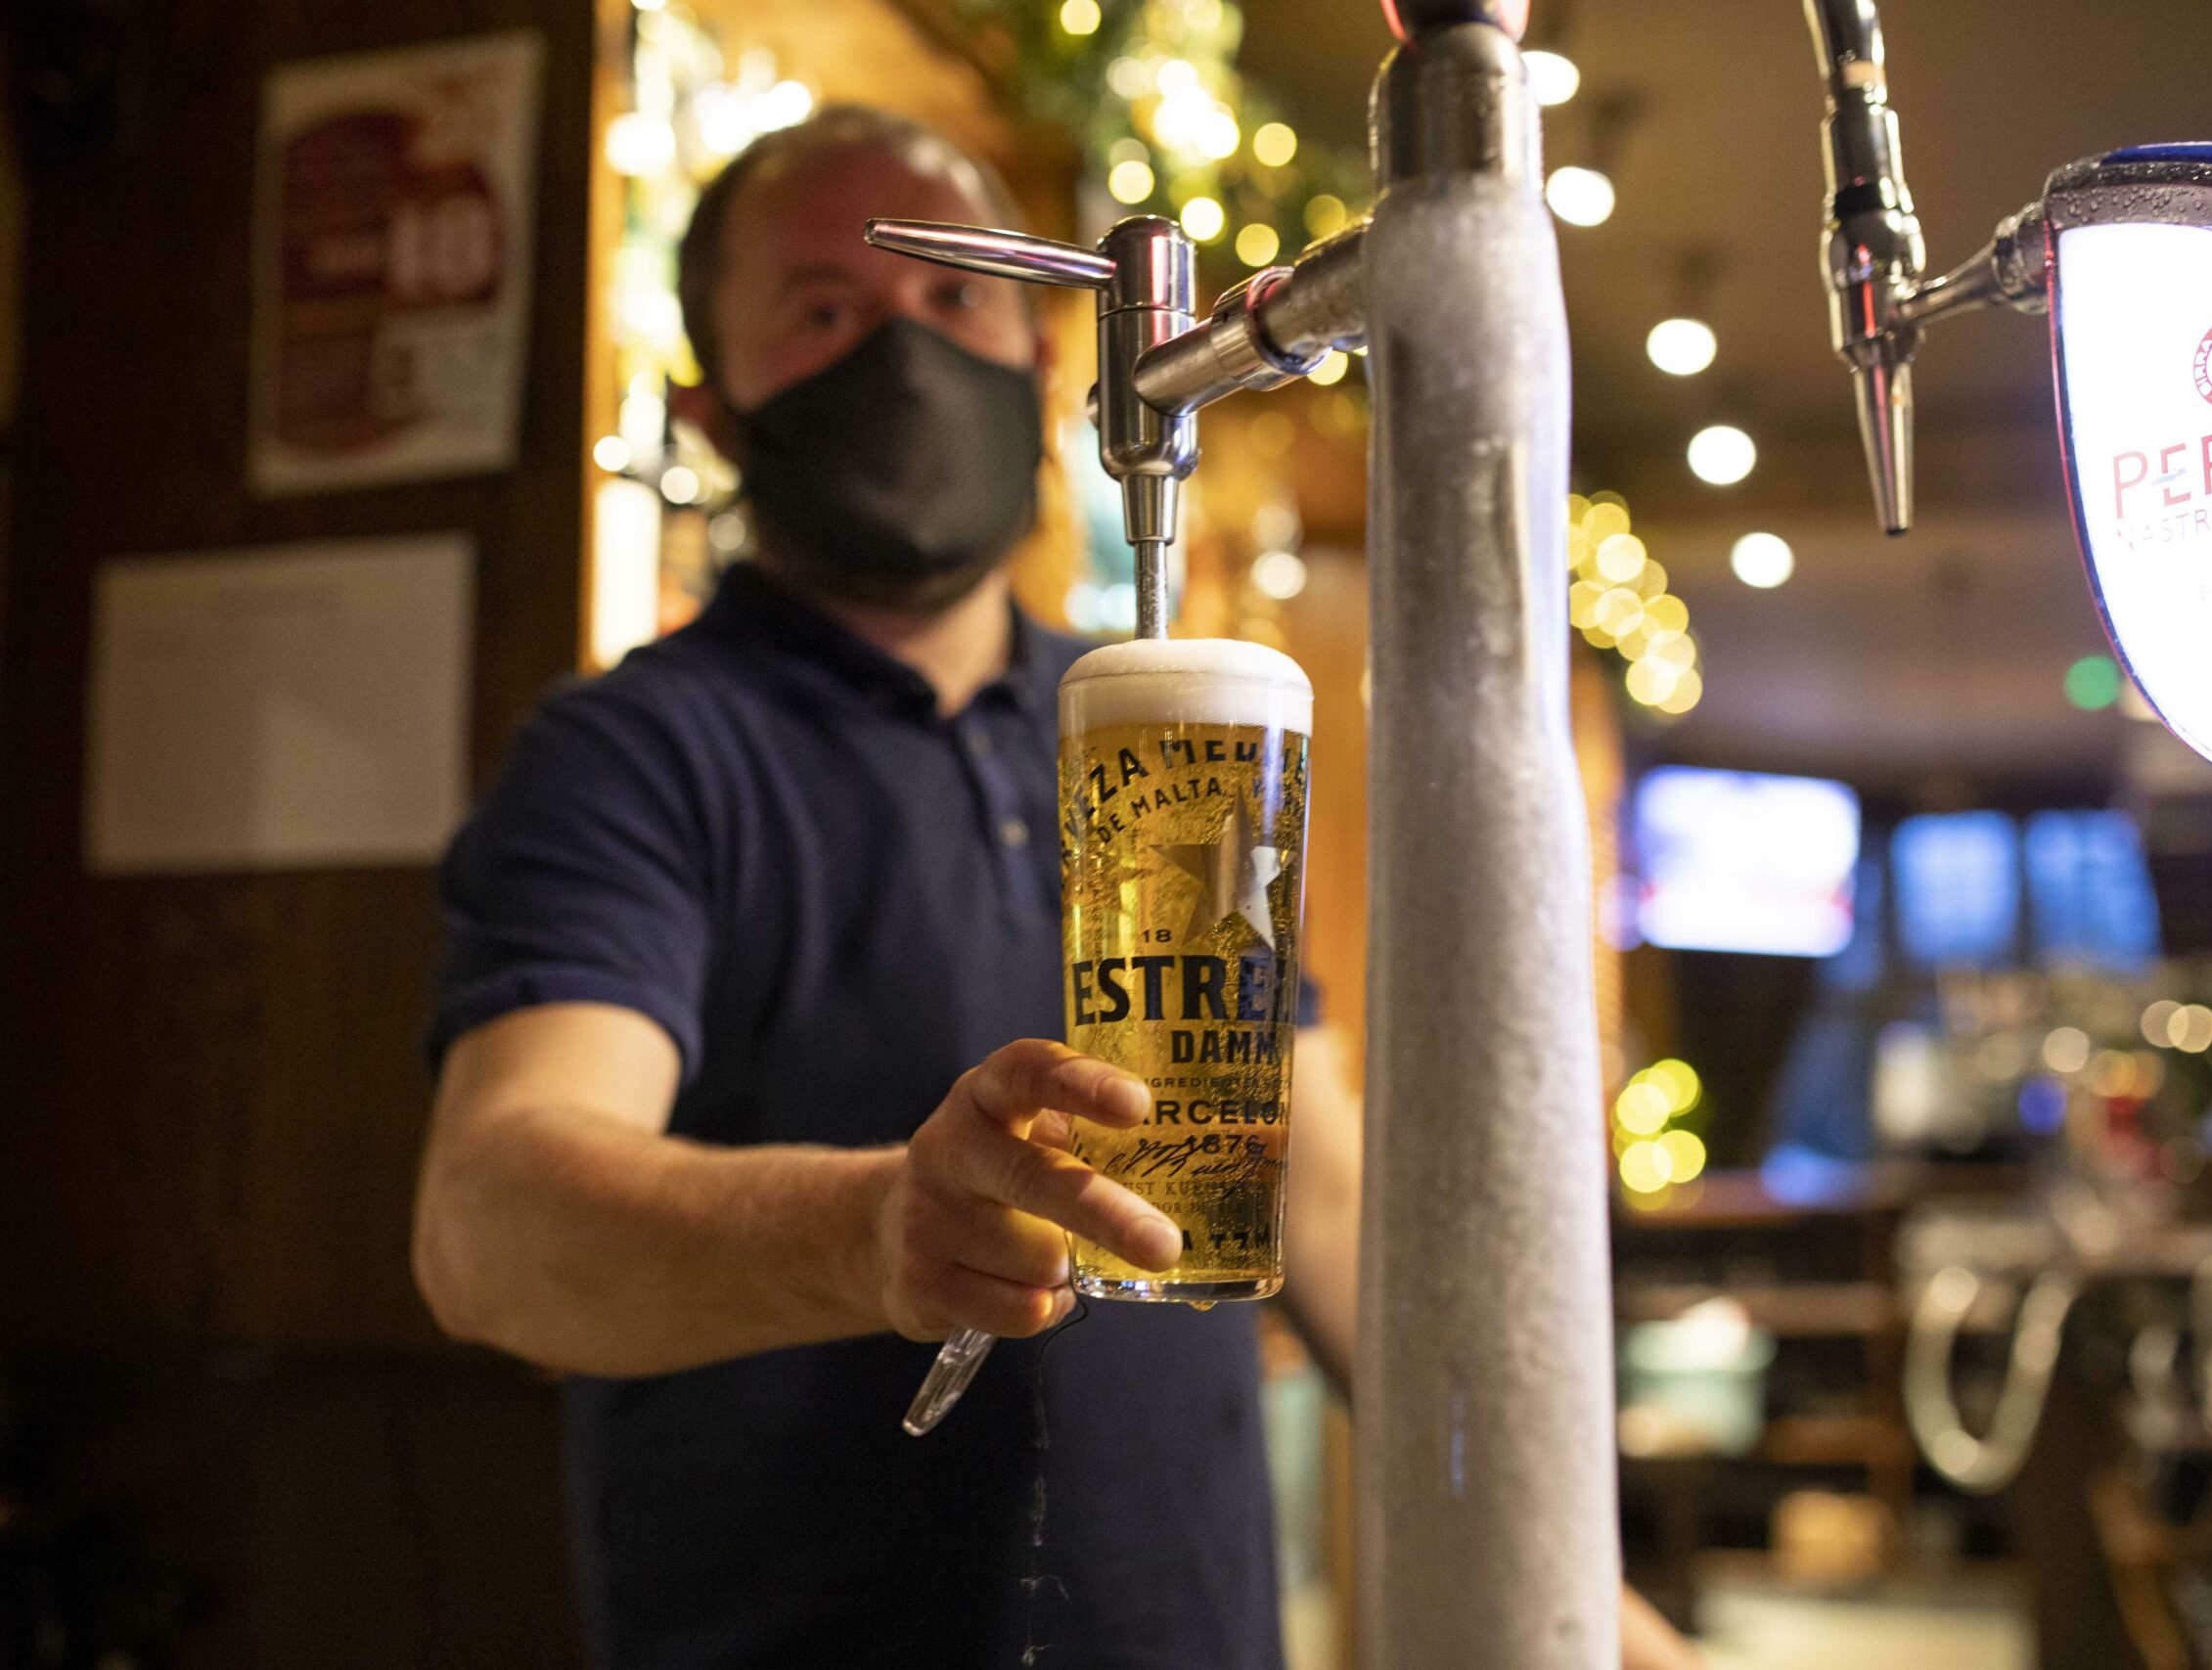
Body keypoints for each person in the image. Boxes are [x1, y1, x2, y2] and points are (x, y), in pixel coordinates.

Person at [411, 106, 1693, 1670]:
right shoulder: (639, 752)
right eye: (828, 309)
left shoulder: (1153, 724)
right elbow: (487, 1226)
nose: (904, 347)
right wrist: (878, 1228)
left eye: (955, 298)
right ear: (713, 409)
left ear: (1039, 366)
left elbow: (1324, 1178)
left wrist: (1589, 1599)